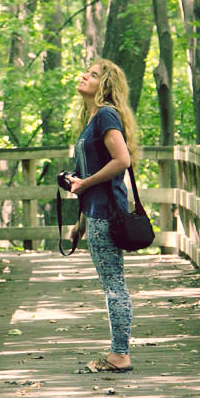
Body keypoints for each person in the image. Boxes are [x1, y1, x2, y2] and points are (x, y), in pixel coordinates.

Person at [69, 58, 139, 373]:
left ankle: (120, 355)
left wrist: (84, 184)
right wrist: (81, 222)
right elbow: (95, 174)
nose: (85, 76)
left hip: (106, 213)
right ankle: (118, 352)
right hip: (96, 212)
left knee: (114, 283)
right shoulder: (94, 118)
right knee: (112, 281)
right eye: (87, 71)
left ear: (105, 85)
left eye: (93, 74)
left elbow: (121, 160)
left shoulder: (105, 115)